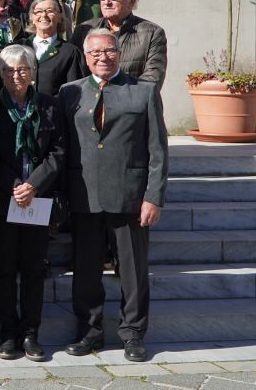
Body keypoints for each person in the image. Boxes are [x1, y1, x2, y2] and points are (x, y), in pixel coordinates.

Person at [61, 29, 167, 363]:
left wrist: (153, 196)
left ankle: (133, 333)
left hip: (130, 196)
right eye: (95, 53)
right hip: (85, 195)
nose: (102, 58)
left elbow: (158, 151)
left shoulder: (144, 91)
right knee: (86, 270)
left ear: (119, 54)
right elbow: (63, 147)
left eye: (108, 51)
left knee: (132, 270)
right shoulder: (69, 92)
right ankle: (89, 332)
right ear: (85, 57)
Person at [0, 45, 65, 362]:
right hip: (4, 200)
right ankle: (8, 332)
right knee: (4, 268)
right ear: (0, 75)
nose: (17, 75)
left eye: (23, 69)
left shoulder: (49, 106)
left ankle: (30, 332)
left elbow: (58, 152)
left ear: (33, 72)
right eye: (10, 70)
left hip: (37, 200)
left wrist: (34, 184)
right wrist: (15, 185)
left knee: (33, 269)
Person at [71, 0, 167, 87]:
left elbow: (153, 78)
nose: (106, 2)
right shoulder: (84, 30)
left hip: (131, 96)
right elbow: (74, 73)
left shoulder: (152, 33)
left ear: (132, 1)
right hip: (91, 96)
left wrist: (118, 93)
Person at [23, 0, 85, 97]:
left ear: (60, 17)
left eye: (50, 11)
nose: (44, 15)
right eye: (38, 11)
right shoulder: (20, 47)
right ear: (32, 18)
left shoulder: (70, 52)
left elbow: (74, 92)